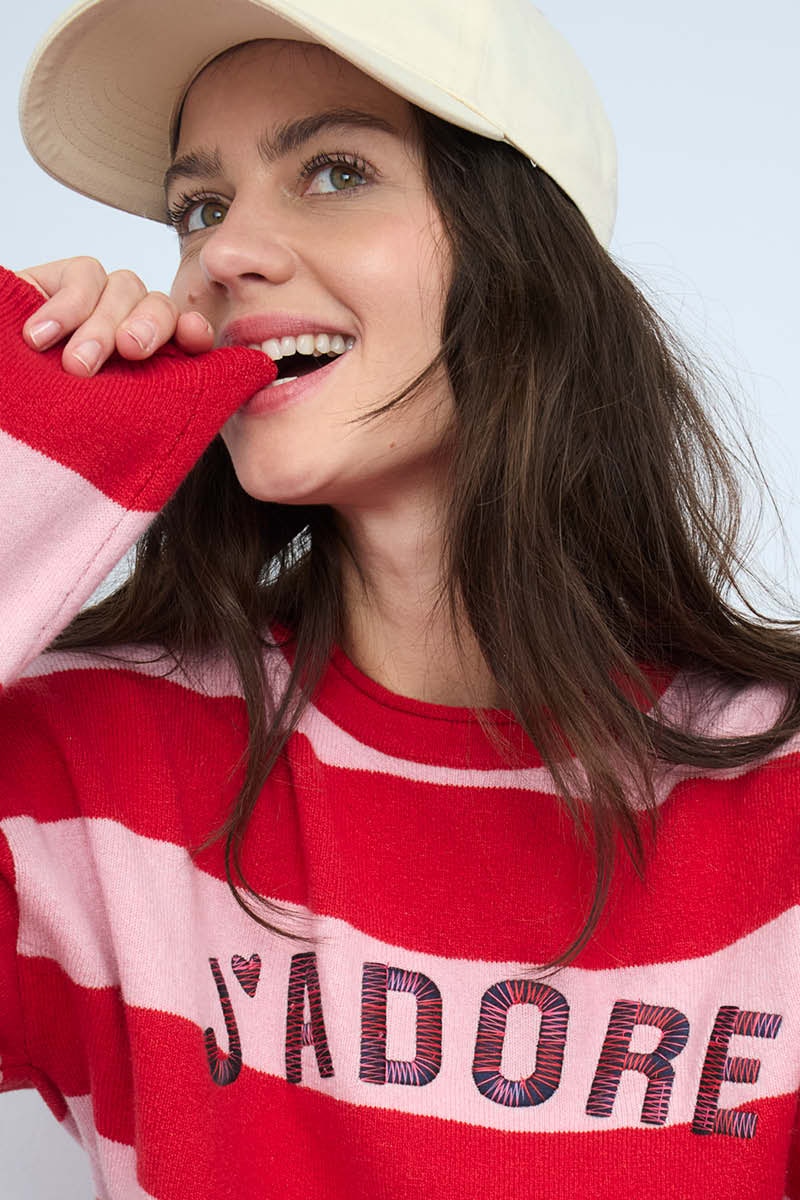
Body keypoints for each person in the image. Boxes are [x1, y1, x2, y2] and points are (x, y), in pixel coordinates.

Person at [1, 0, 798, 1196]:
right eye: (200, 208)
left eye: (333, 171)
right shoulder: (90, 762)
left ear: (521, 251)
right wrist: (24, 443)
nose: (220, 253)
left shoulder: (777, 796)